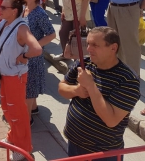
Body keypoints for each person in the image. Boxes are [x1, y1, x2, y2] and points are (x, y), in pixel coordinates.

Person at [58, 27, 140, 160]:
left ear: (113, 48)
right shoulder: (84, 63)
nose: (89, 49)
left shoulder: (127, 80)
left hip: (102, 153)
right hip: (74, 143)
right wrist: (77, 90)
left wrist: (90, 86)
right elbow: (61, 87)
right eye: (88, 44)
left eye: (95, 45)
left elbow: (111, 120)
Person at [0, 0, 42, 161]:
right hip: (3, 74)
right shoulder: (3, 23)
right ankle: (12, 137)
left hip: (15, 77)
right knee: (7, 109)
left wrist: (24, 55)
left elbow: (37, 49)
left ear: (14, 11)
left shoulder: (21, 28)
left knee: (18, 113)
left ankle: (23, 149)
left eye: (3, 8)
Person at [21, 0, 56, 125]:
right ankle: (34, 107)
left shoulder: (39, 13)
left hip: (33, 55)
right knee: (30, 83)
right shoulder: (25, 9)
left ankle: (27, 118)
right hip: (26, 52)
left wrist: (35, 46)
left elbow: (52, 34)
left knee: (29, 85)